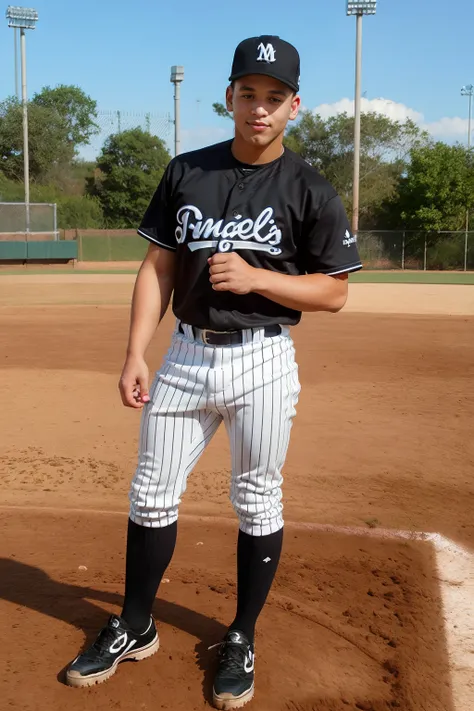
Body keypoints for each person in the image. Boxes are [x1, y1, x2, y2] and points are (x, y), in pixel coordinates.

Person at [65, 34, 362, 710]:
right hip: (185, 355)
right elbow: (157, 268)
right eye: (249, 94)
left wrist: (259, 276)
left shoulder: (309, 186)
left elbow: (336, 290)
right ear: (229, 97)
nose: (260, 108)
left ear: (295, 107)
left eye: (275, 98)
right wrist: (137, 350)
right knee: (150, 493)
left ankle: (241, 635)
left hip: (262, 358)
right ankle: (136, 624)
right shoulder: (185, 171)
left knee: (257, 498)